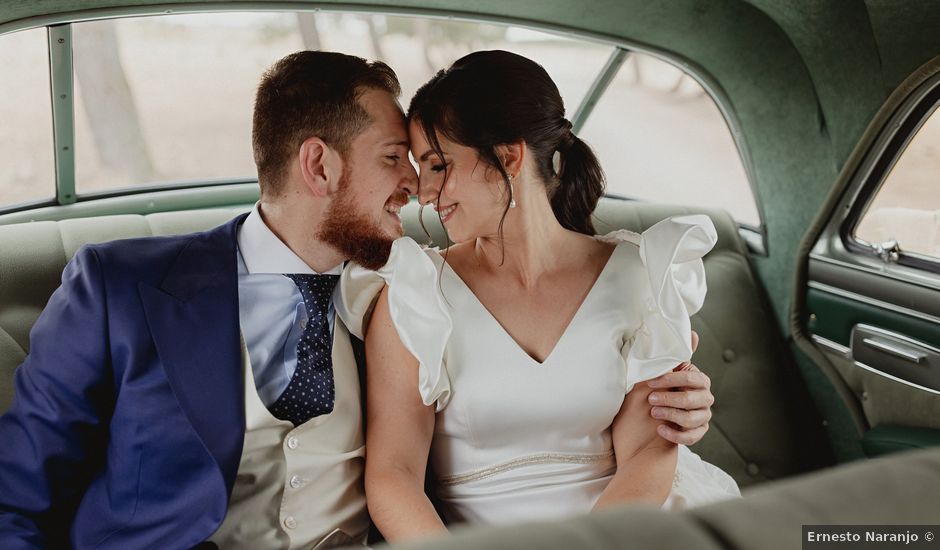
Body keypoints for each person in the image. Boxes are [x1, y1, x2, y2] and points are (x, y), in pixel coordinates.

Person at [0, 50, 714, 549]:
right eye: (394, 160)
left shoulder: (395, 290)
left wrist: (680, 402)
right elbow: (16, 494)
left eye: (427, 163)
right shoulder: (118, 287)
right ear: (318, 165)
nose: (416, 189)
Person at [338, 50, 740, 543]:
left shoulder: (640, 276)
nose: (424, 193)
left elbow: (647, 457)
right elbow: (392, 476)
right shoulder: (416, 293)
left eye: (439, 166)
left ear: (508, 156)